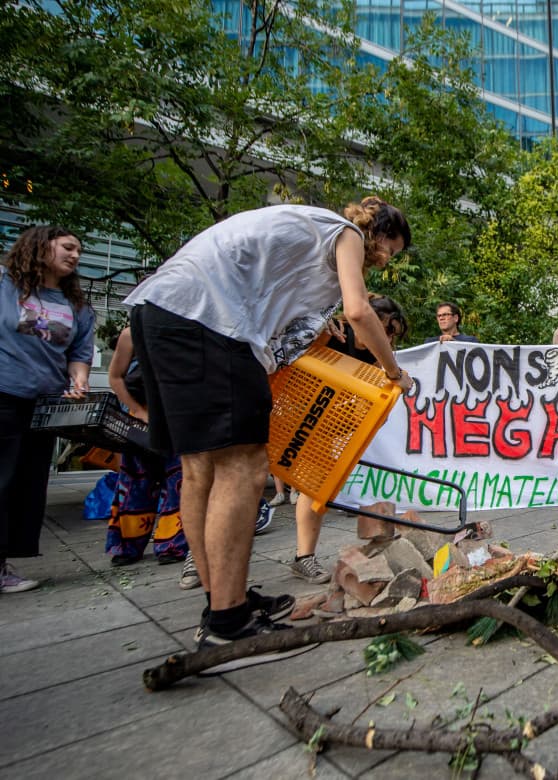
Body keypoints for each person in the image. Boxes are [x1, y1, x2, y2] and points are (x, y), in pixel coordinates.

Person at [124, 196, 414, 668]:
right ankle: (227, 622)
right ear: (378, 232)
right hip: (211, 322)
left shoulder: (305, 229)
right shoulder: (346, 234)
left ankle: (223, 599)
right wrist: (394, 370)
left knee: (200, 467)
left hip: (162, 310)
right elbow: (360, 312)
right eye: (390, 250)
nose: (384, 261)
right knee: (243, 464)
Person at [0, 226, 94, 593]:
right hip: (4, 394)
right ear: (41, 245)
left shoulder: (77, 306)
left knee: (27, 483)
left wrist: (80, 383)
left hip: (44, 405)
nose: (75, 255)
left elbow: (79, 355)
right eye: (68, 247)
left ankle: (3, 564)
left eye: (79, 251)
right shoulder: (7, 286)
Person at [290, 296, 409, 583]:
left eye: (393, 334)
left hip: (318, 421)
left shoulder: (371, 355)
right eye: (387, 329)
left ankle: (303, 557)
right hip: (286, 409)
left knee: (318, 489)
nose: (388, 339)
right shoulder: (329, 331)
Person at [105, 327, 195, 586]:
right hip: (140, 421)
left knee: (177, 482)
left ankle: (172, 544)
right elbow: (115, 377)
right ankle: (127, 546)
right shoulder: (131, 333)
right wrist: (136, 410)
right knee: (135, 483)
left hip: (175, 420)